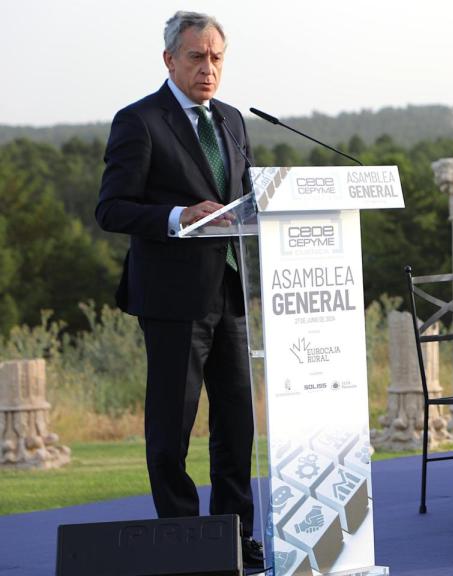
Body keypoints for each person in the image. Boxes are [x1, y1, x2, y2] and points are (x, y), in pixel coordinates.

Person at [95, 11, 262, 567]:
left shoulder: (234, 121)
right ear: (170, 60)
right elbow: (111, 208)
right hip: (171, 301)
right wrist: (176, 215)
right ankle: (185, 542)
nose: (208, 68)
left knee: (237, 425)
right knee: (172, 428)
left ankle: (237, 539)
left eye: (216, 58)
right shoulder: (139, 121)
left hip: (231, 295)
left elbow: (247, 198)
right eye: (196, 57)